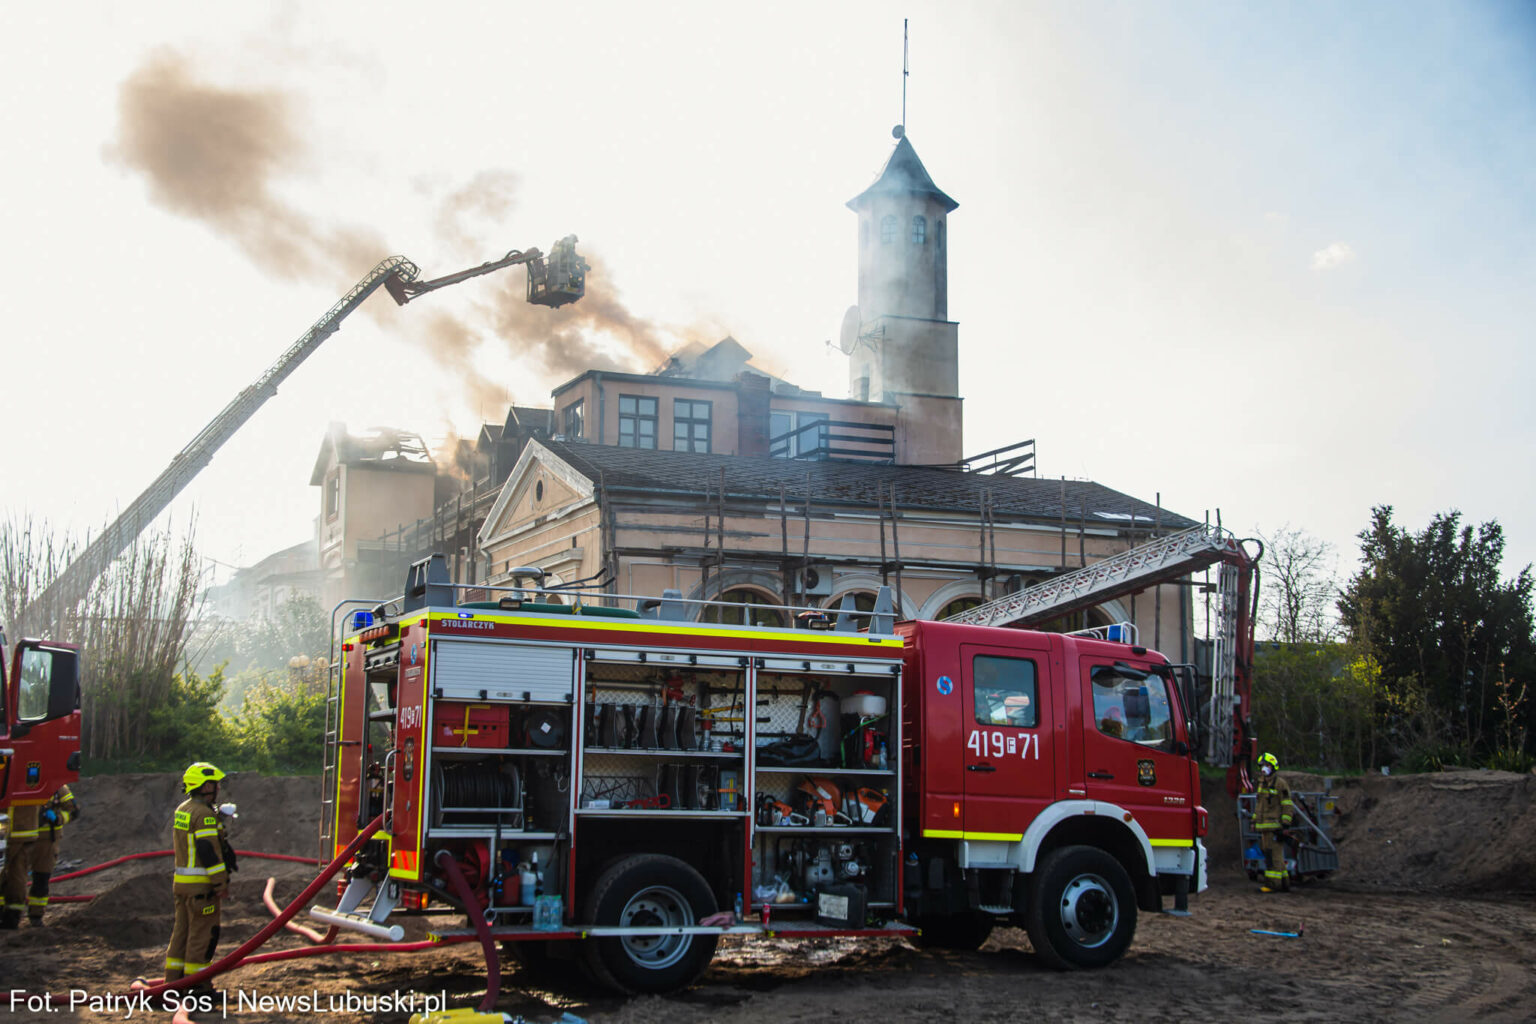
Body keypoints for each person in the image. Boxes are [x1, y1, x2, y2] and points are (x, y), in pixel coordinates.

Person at [164, 762, 235, 984]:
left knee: (181, 934)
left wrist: (218, 820)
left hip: (182, 886)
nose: (218, 788)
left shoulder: (183, 809)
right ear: (205, 787)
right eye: (215, 784)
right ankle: (197, 986)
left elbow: (193, 844)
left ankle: (174, 982)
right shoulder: (203, 815)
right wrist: (220, 884)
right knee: (203, 936)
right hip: (201, 888)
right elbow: (208, 852)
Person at [24, 784, 80, 925]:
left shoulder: (58, 787)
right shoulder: (19, 780)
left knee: (41, 878)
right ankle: (8, 913)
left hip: (47, 840)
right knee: (13, 877)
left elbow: (74, 812)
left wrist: (56, 818)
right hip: (20, 839)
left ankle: (36, 915)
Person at [1252, 751, 1294, 892]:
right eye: (1262, 765)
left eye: (1266, 765)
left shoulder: (1280, 784)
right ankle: (1284, 883)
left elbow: (1287, 804)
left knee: (1273, 855)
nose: (1264, 768)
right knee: (1273, 855)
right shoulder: (1262, 783)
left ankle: (1273, 885)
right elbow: (1259, 805)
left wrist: (1285, 824)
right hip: (1264, 826)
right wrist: (1254, 821)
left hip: (1274, 826)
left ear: (1272, 766)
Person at [1, 803, 41, 929]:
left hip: (7, 833)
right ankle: (12, 918)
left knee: (10, 875)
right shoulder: (32, 784)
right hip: (25, 832)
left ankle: (10, 916)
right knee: (18, 875)